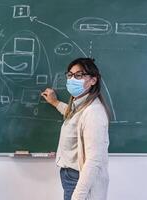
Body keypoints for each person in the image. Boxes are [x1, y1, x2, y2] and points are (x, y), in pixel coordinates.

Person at [41, 58, 110, 200]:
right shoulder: (80, 105)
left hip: (78, 179)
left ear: (93, 80)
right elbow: (74, 118)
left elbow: (93, 160)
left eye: (79, 75)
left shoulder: (94, 113)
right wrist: (55, 103)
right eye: (70, 75)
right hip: (69, 175)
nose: (72, 79)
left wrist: (78, 196)